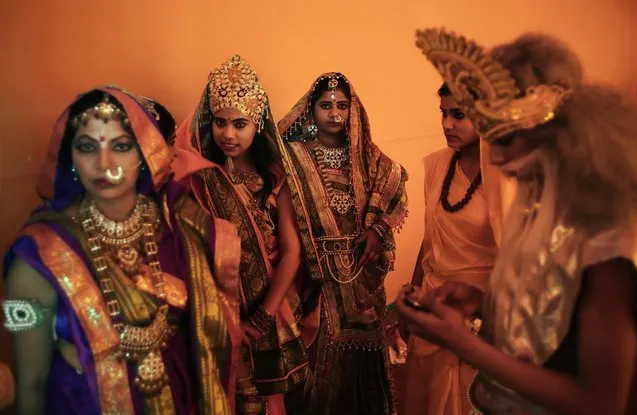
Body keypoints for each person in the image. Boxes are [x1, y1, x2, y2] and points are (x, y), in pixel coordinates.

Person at [397, 28, 637, 415]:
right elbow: (554, 323)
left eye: (505, 140)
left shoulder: (603, 248)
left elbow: (602, 402)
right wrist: (481, 302)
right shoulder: (543, 217)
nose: (494, 159)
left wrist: (465, 344)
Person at [2, 86, 242, 414]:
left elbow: (204, 337)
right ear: (69, 157)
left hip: (178, 399)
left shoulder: (181, 226)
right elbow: (31, 380)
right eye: (87, 147)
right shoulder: (35, 255)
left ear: (145, 154)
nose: (105, 164)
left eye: (121, 146)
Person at [172, 55, 319, 415]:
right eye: (220, 122)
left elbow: (291, 253)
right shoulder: (198, 180)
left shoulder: (275, 177)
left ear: (258, 125)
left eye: (240, 124)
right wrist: (224, 319)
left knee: (267, 404)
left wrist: (262, 317)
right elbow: (191, 257)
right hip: (218, 314)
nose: (228, 134)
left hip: (272, 308)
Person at [277, 72, 409, 415]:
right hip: (313, 271)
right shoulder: (294, 156)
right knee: (317, 353)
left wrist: (379, 230)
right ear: (310, 110)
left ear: (353, 110)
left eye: (341, 105)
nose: (334, 113)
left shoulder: (367, 155)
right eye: (325, 105)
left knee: (364, 355)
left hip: (361, 271)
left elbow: (396, 185)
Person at [401, 82, 502, 415]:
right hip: (434, 304)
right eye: (443, 113)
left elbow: (518, 256)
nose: (446, 124)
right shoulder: (438, 166)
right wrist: (415, 292)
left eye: (458, 115)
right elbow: (430, 238)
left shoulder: (506, 175)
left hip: (483, 312)